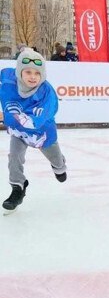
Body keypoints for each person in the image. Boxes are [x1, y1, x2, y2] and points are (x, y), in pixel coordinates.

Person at [0, 48, 67, 213]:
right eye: (27, 72)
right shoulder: (8, 81)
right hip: (18, 132)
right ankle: (18, 188)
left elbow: (33, 122)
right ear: (19, 72)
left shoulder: (47, 94)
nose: (32, 77)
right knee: (14, 157)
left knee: (58, 163)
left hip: (41, 134)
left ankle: (59, 166)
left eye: (37, 73)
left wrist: (5, 116)